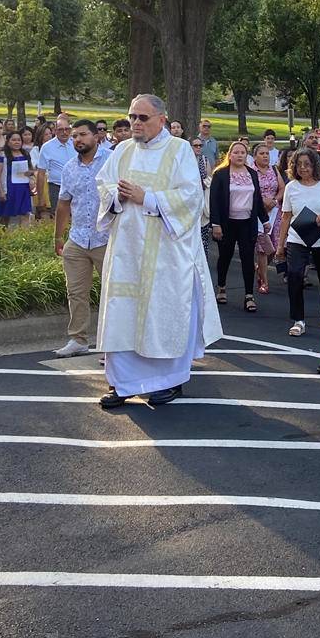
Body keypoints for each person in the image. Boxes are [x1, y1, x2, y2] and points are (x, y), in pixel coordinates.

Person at [95, 94, 222, 408]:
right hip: (126, 253)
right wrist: (115, 196)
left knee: (162, 315)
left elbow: (191, 198)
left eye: (143, 118)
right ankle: (122, 384)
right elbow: (104, 185)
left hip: (165, 252)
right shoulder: (122, 150)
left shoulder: (178, 150)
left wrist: (146, 197)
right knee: (122, 315)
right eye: (132, 117)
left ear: (162, 120)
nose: (136, 123)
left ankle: (169, 382)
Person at [54, 120, 110, 357]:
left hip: (106, 238)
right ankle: (78, 339)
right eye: (74, 135)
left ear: (96, 136)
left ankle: (112, 345)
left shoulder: (112, 160)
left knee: (113, 293)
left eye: (82, 134)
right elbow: (64, 203)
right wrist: (58, 236)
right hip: (77, 239)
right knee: (76, 292)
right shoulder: (69, 168)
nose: (77, 139)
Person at [275, 147, 320, 336]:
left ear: (315, 166)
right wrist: (281, 244)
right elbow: (286, 216)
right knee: (295, 275)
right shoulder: (291, 187)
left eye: (307, 164)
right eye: (299, 164)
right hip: (298, 238)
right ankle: (298, 319)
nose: (303, 168)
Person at [209, 141, 270, 310]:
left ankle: (249, 295)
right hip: (227, 223)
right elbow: (214, 201)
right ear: (230, 155)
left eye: (242, 152)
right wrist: (216, 224)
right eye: (236, 152)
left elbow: (257, 198)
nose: (239, 155)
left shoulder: (252, 173)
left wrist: (264, 220)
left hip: (247, 223)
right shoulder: (220, 174)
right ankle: (221, 287)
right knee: (225, 256)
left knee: (247, 258)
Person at [252, 143, 282, 293]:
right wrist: (263, 201)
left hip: (275, 212)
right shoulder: (251, 171)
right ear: (255, 156)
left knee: (274, 248)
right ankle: (264, 281)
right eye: (262, 153)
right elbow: (251, 190)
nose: (265, 156)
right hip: (258, 212)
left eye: (267, 153)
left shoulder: (274, 169)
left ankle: (260, 267)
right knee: (263, 248)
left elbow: (282, 188)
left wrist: (275, 200)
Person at [36, 116, 76, 218]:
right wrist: (41, 199)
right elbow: (41, 173)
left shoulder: (76, 143)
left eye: (67, 129)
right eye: (61, 130)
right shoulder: (47, 147)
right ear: (55, 130)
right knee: (60, 219)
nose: (64, 132)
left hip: (77, 187)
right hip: (57, 188)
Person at [0, 130, 35, 225]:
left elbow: (31, 170)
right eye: (14, 140)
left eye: (19, 140)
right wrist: (1, 191)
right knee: (5, 217)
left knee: (25, 214)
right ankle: (2, 237)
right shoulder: (2, 155)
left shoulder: (25, 154)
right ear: (8, 142)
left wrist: (30, 174)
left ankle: (23, 237)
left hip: (23, 189)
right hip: (8, 189)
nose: (17, 142)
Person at [191, 137, 212, 258]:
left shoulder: (204, 160)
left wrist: (204, 183)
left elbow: (209, 177)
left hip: (202, 199)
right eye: (195, 145)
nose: (198, 148)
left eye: (200, 145)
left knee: (202, 231)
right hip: (189, 200)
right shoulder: (186, 160)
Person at [30, 123, 54, 218]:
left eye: (50, 133)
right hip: (42, 181)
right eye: (46, 134)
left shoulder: (56, 148)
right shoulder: (36, 150)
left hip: (53, 179)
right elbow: (36, 165)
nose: (49, 136)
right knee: (44, 211)